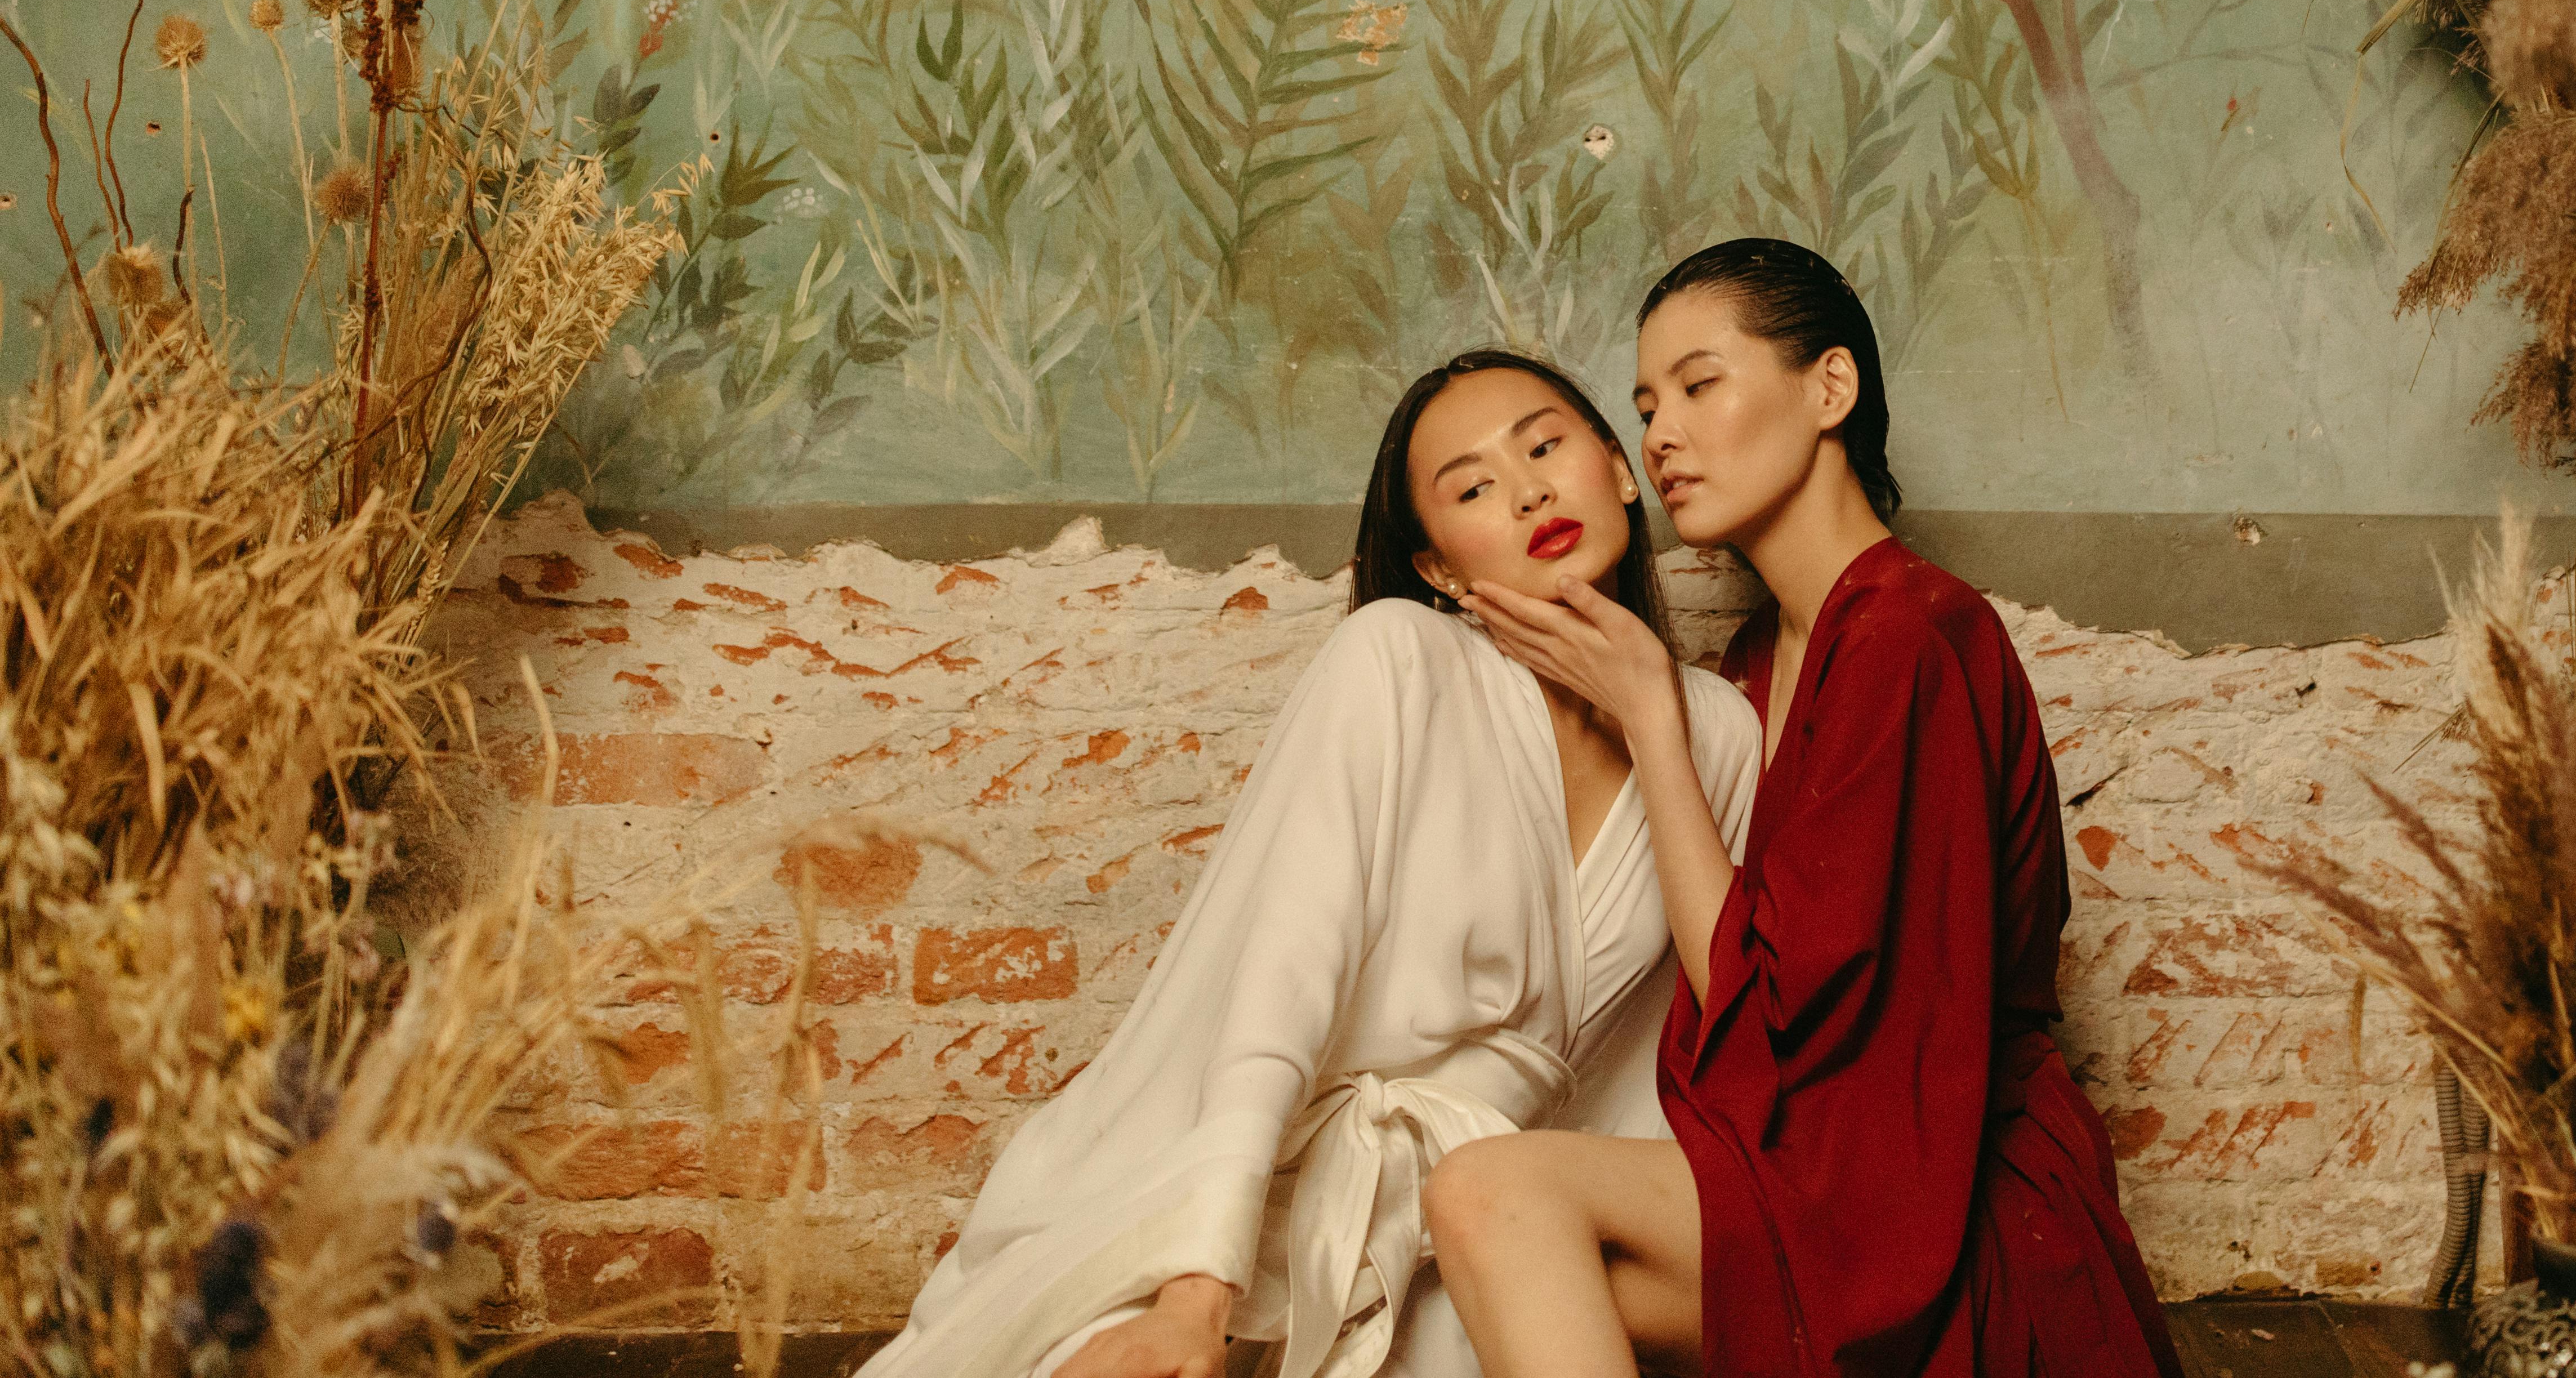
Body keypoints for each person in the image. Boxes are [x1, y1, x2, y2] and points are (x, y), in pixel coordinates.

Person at [857, 350, 1763, 1378]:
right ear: (1441, 569)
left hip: (1490, 1223)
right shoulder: (1396, 660)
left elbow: (1707, 1036)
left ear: (1619, 466)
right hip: (1271, 1185)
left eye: (1546, 446)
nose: (1527, 490)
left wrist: (1655, 712)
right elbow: (1277, 985)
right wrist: (1195, 1291)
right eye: (1472, 488)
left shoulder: (1720, 734)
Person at [1429, 239, 2181, 1378]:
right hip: (1822, 1160)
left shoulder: (1912, 638)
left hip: (1935, 1199)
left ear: (1829, 388)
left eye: (1698, 383)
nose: (1661, 434)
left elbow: (1792, 1015)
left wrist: (1646, 715)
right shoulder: (1754, 663)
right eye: (1643, 405)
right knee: (1478, 1245)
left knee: (1494, 1195)